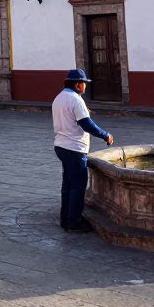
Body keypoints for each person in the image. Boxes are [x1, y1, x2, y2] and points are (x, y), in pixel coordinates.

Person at [52, 69, 113, 232]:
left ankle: (65, 217)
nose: (85, 87)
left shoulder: (60, 97)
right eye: (84, 84)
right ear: (78, 84)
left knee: (68, 184)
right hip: (74, 148)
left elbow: (71, 117)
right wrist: (105, 135)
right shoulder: (75, 100)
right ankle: (74, 222)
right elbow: (87, 125)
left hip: (61, 145)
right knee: (78, 186)